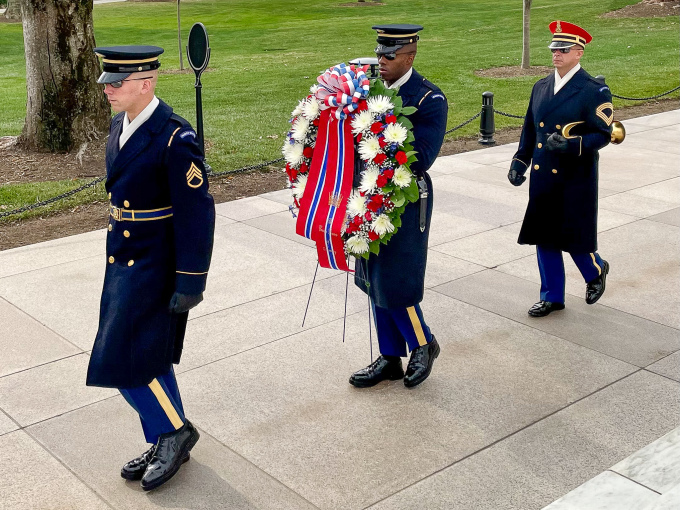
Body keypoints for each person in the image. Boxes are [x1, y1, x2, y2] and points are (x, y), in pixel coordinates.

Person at [86, 46, 215, 491]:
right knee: (149, 354)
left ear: (147, 82)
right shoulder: (119, 124)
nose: (108, 90)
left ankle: (174, 432)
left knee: (121, 360)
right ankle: (165, 434)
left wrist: (191, 280)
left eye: (117, 83)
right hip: (123, 257)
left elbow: (197, 214)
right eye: (107, 82)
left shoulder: (174, 138)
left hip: (156, 263)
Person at [351, 24, 448, 388]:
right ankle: (390, 356)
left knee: (396, 279)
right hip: (366, 192)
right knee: (372, 277)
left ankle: (423, 343)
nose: (381, 59)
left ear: (410, 56)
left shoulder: (428, 100)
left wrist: (379, 126)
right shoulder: (366, 93)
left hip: (404, 199)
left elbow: (421, 157)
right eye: (379, 53)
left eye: (390, 55)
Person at [508, 21, 613, 317]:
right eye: (554, 48)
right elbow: (530, 128)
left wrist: (571, 145)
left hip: (575, 176)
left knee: (573, 234)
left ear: (578, 53)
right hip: (544, 173)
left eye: (563, 49)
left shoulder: (593, 90)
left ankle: (595, 271)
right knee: (544, 234)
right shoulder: (541, 86)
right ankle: (552, 295)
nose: (556, 54)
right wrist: (520, 161)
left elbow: (603, 135)